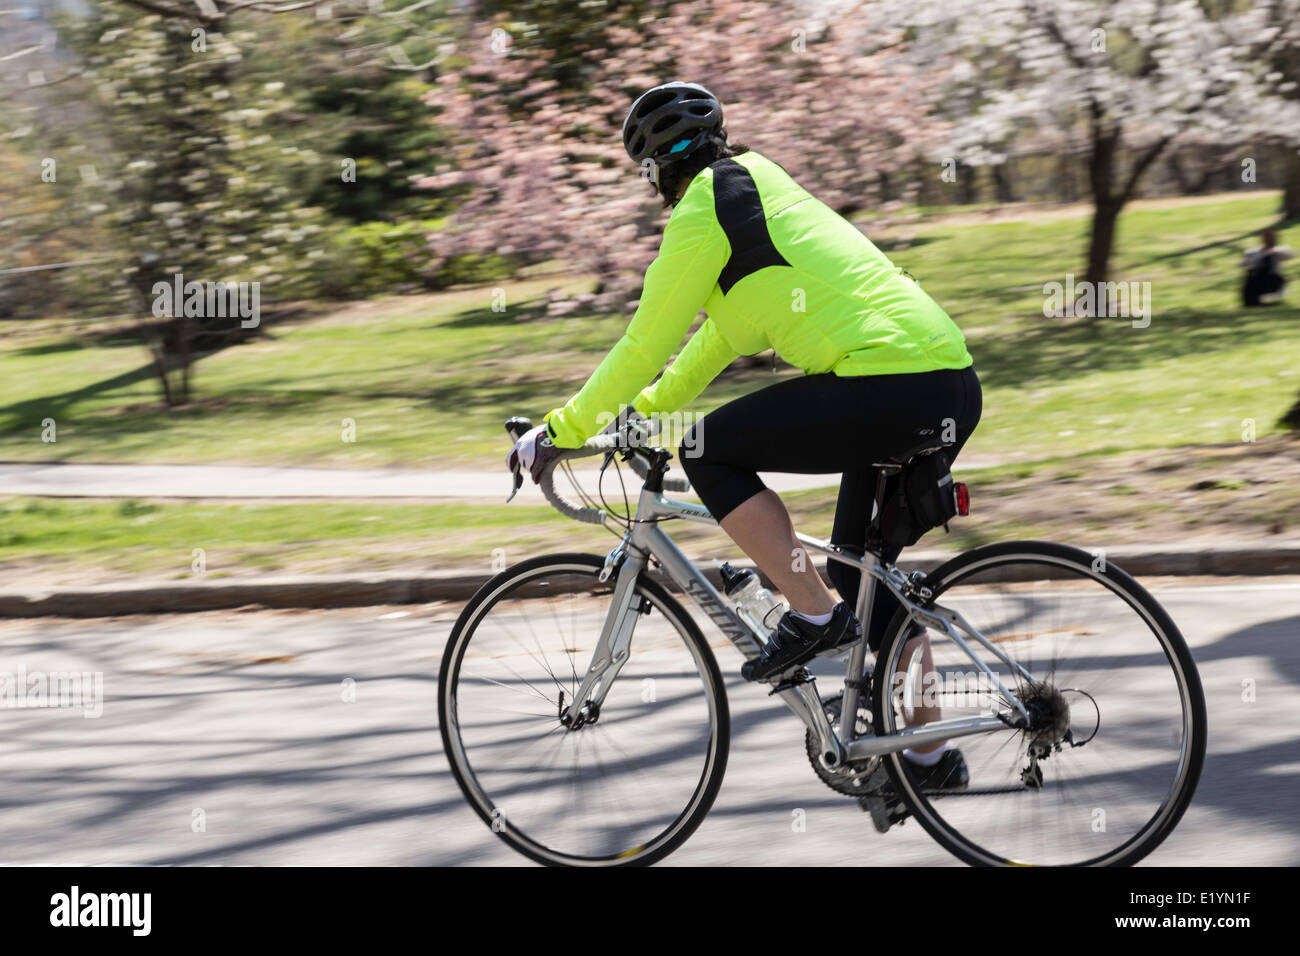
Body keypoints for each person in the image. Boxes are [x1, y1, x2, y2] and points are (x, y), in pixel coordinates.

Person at [507, 82, 981, 787]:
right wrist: (642, 416)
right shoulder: (757, 189)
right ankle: (928, 756)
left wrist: (559, 430)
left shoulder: (702, 213)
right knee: (865, 581)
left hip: (889, 384)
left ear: (655, 172)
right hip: (944, 383)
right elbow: (712, 343)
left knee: (707, 450)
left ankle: (813, 616)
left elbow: (643, 344)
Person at [1241, 229, 1292, 306]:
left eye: (1271, 237)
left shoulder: (1280, 249)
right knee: (1251, 274)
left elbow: (1289, 255)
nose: (1269, 239)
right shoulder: (1253, 252)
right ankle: (1252, 301)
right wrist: (1260, 256)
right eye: (1266, 237)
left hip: (1272, 280)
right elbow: (1244, 264)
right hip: (1256, 279)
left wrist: (1272, 253)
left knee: (1268, 259)